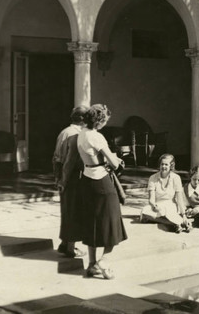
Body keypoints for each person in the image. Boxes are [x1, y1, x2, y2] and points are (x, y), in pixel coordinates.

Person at [76, 104, 127, 279]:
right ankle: (104, 261)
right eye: (104, 121)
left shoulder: (81, 133)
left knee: (93, 221)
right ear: (99, 121)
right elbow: (113, 164)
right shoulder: (97, 137)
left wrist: (108, 159)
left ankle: (91, 264)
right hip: (101, 181)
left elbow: (92, 157)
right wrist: (116, 159)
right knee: (112, 221)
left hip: (87, 179)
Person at [52, 106, 88, 259]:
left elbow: (56, 158)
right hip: (72, 175)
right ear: (82, 119)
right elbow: (68, 160)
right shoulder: (75, 134)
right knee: (74, 211)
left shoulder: (65, 131)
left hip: (64, 174)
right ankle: (70, 248)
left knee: (68, 210)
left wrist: (57, 177)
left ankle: (65, 243)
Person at [139, 154, 191, 233]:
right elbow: (151, 199)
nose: (163, 166)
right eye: (162, 164)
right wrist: (154, 206)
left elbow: (179, 199)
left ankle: (175, 222)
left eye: (166, 164)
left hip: (171, 205)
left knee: (167, 211)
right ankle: (176, 223)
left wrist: (184, 215)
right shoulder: (153, 178)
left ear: (171, 166)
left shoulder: (176, 178)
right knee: (145, 211)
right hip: (158, 205)